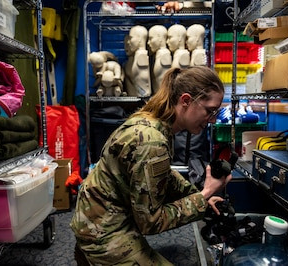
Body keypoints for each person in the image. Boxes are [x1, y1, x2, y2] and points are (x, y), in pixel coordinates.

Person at [71, 66, 232, 265]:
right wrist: (204, 194)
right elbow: (151, 222)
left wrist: (197, 196)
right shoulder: (151, 142)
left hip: (99, 215)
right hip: (102, 231)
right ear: (186, 101)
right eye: (210, 111)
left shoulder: (156, 123)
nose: (213, 119)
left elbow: (164, 174)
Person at [124, 25, 152, 97]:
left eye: (131, 38)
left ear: (139, 39)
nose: (128, 42)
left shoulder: (141, 55)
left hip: (143, 96)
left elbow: (143, 78)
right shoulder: (138, 55)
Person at [148, 25, 172, 94]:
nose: (148, 43)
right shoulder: (158, 54)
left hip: (163, 96)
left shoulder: (164, 55)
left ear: (160, 38)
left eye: (151, 38)